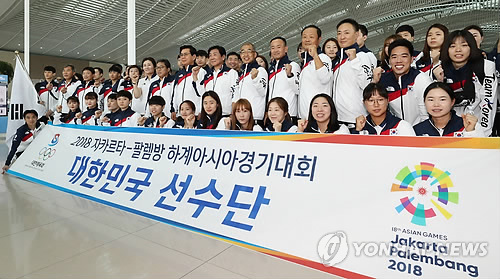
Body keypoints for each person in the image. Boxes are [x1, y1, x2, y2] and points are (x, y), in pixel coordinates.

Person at [432, 29, 498, 136]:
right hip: (450, 130)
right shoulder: (438, 69)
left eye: (464, 45)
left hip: (478, 127)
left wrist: (483, 134)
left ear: (471, 47)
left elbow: (488, 102)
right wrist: (439, 81)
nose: (458, 50)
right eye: (452, 46)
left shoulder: (485, 67)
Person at [373, 39, 432, 125]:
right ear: (389, 60)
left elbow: (426, 115)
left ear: (412, 59)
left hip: (419, 132)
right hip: (395, 132)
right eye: (394, 57)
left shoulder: (421, 79)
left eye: (404, 56)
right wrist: (374, 82)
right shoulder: (383, 80)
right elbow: (372, 104)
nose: (398, 60)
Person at [333, 18, 374, 126]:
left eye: (346, 33)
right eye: (339, 33)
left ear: (356, 35)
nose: (342, 37)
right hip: (338, 119)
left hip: (355, 120)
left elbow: (367, 85)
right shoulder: (338, 60)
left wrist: (354, 60)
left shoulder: (362, 56)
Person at [414, 82, 485, 137]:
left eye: (442, 99)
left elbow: (481, 153)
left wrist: (470, 132)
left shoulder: (469, 125)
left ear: (452, 102)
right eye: (431, 100)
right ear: (424, 102)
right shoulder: (417, 130)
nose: (436, 104)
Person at [298, 25, 333, 119]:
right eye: (304, 37)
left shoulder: (323, 58)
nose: (307, 39)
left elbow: (324, 78)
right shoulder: (305, 63)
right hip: (304, 117)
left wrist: (315, 56)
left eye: (311, 37)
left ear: (319, 39)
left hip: (319, 116)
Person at [192, 45, 239, 117]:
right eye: (210, 55)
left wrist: (233, 112)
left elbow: (236, 93)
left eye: (215, 54)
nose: (212, 57)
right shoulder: (208, 75)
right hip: (210, 115)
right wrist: (195, 77)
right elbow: (202, 93)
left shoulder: (231, 73)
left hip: (225, 115)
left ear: (223, 57)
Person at [234, 42, 268, 124]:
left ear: (255, 54)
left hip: (255, 117)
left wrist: (255, 78)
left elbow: (263, 92)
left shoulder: (260, 70)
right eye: (242, 52)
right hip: (242, 117)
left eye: (249, 51)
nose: (246, 54)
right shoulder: (242, 73)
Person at [268, 37, 300, 121]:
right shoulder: (270, 69)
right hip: (272, 116)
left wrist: (290, 75)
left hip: (288, 115)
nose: (275, 50)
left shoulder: (293, 65)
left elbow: (298, 89)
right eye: (273, 48)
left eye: (278, 47)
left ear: (285, 49)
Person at [173, 45, 207, 116]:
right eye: (181, 55)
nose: (183, 57)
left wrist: (200, 110)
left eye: (185, 54)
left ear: (194, 57)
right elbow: (175, 93)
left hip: (195, 114)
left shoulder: (200, 71)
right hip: (180, 114)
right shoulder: (179, 74)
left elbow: (203, 92)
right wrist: (174, 110)